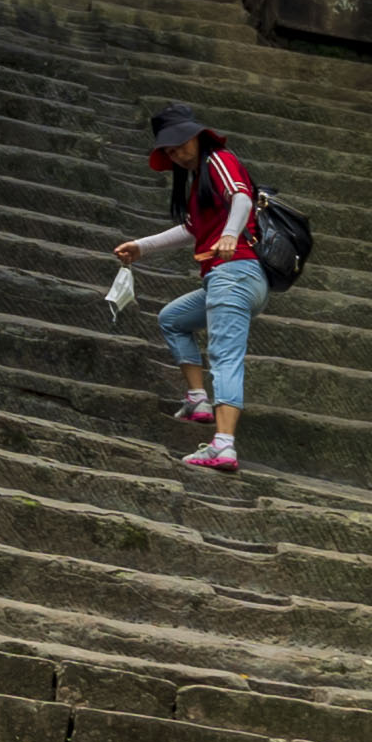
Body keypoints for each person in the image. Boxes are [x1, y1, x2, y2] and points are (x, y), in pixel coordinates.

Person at [111, 101, 262, 481]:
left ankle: (223, 442)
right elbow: (192, 230)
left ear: (197, 136)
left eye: (180, 143)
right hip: (227, 278)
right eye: (169, 149)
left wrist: (230, 234)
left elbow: (242, 197)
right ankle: (197, 399)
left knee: (225, 355)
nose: (176, 153)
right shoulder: (200, 181)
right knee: (173, 319)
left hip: (234, 272)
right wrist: (141, 246)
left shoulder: (219, 161)